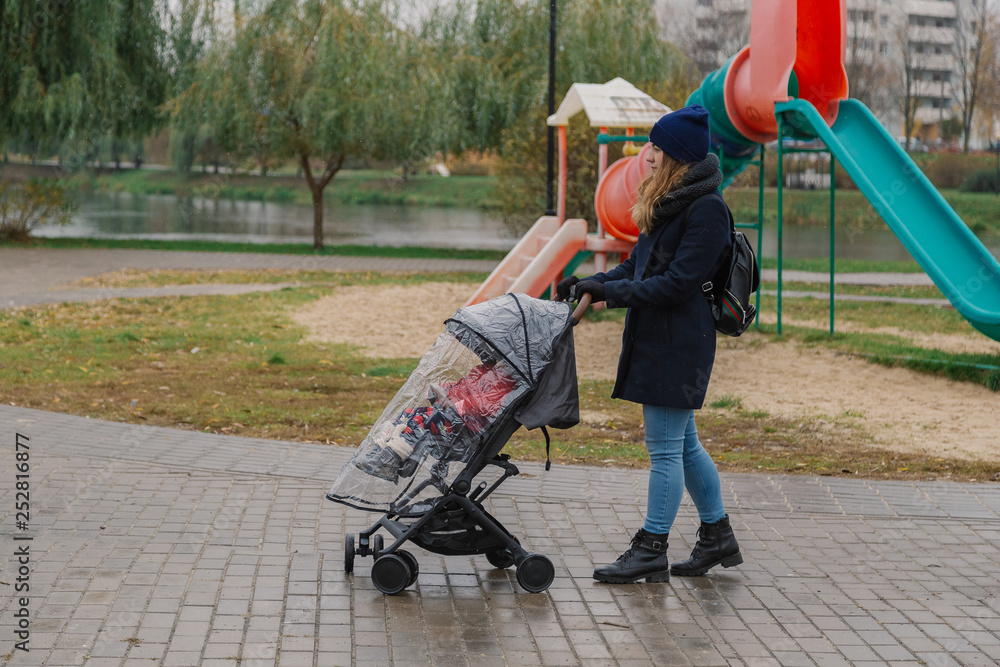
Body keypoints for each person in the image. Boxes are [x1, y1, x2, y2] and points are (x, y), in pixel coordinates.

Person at [557, 104, 742, 583]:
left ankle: (651, 547)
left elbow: (678, 284)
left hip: (679, 342)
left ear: (677, 156)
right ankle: (717, 535)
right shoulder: (672, 204)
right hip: (661, 337)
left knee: (664, 450)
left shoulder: (707, 210)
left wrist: (610, 294)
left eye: (657, 147)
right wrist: (592, 283)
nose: (648, 155)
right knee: (684, 447)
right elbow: (635, 268)